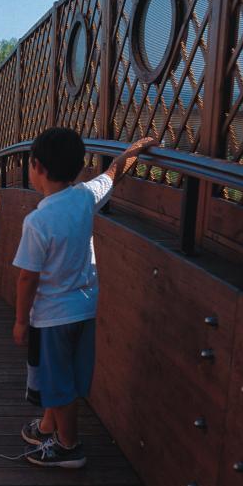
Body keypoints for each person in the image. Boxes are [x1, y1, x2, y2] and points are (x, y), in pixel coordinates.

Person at [13, 128, 157, 468]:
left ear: (37, 167)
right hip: (84, 309)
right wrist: (137, 148)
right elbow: (114, 172)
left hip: (51, 316)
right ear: (78, 167)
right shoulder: (84, 197)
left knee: (58, 383)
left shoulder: (37, 221)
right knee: (64, 376)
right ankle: (47, 427)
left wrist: (20, 321)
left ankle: (68, 446)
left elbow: (26, 277)